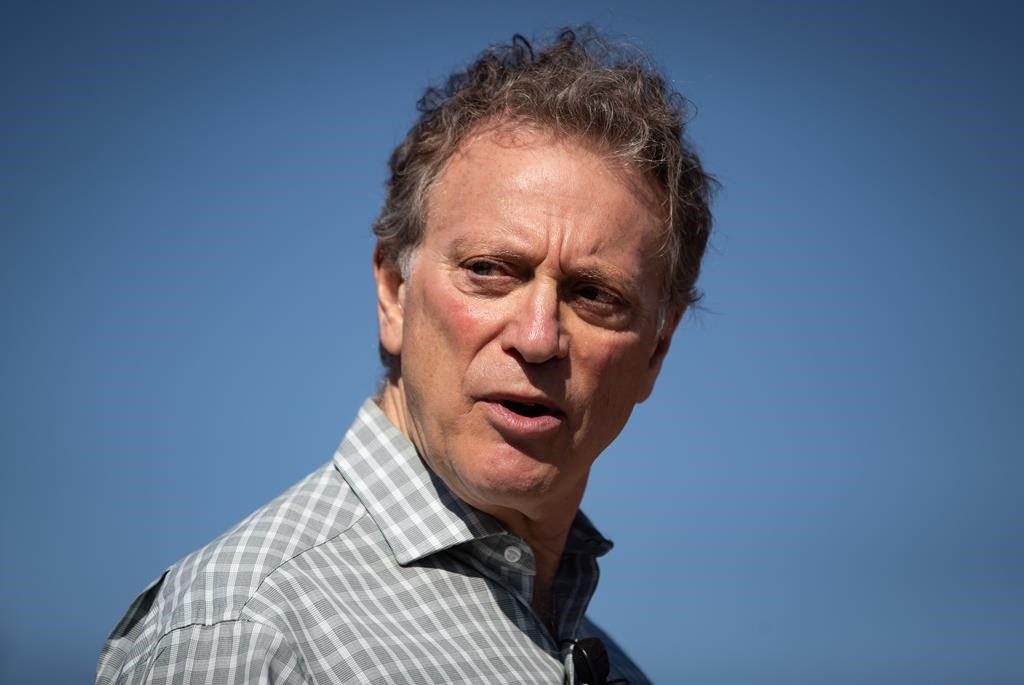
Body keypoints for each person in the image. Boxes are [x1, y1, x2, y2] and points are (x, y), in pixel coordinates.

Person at [96, 27, 714, 685]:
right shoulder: (249, 630)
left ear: (657, 349)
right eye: (489, 270)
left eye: (593, 294)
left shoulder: (613, 665)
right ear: (393, 291)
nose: (537, 337)